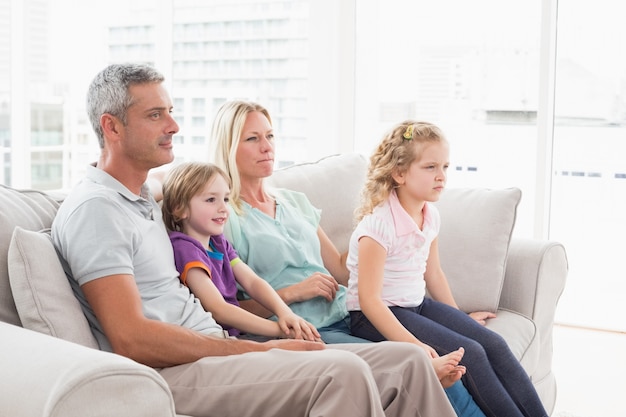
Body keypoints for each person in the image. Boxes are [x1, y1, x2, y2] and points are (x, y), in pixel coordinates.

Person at [51, 62, 460, 417]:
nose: (173, 126)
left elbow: (180, 186)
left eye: (171, 112)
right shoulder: (96, 211)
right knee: (342, 370)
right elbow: (131, 338)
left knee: (409, 360)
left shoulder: (138, 195)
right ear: (111, 126)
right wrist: (265, 350)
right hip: (173, 370)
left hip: (213, 344)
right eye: (156, 115)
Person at [210, 99, 486, 417]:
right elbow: (224, 311)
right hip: (304, 330)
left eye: (270, 136)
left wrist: (382, 230)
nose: (267, 147)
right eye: (253, 139)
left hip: (348, 315)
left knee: (451, 358)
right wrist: (293, 293)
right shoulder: (223, 216)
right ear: (229, 146)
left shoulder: (294, 201)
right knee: (422, 367)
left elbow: (343, 269)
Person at [345, 120, 549, 417]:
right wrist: (415, 346)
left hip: (415, 304)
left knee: (495, 343)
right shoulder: (378, 225)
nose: (441, 177)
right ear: (399, 173)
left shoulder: (431, 215)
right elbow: (369, 301)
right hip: (372, 316)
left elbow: (433, 274)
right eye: (430, 167)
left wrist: (458, 318)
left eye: (445, 167)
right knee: (473, 354)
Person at [161, 160, 320, 341]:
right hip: (217, 339)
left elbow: (252, 282)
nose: (223, 208)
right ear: (179, 208)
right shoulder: (185, 250)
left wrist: (285, 313)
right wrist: (279, 330)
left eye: (226, 199)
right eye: (211, 200)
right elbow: (219, 310)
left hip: (238, 334)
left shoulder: (218, 242)